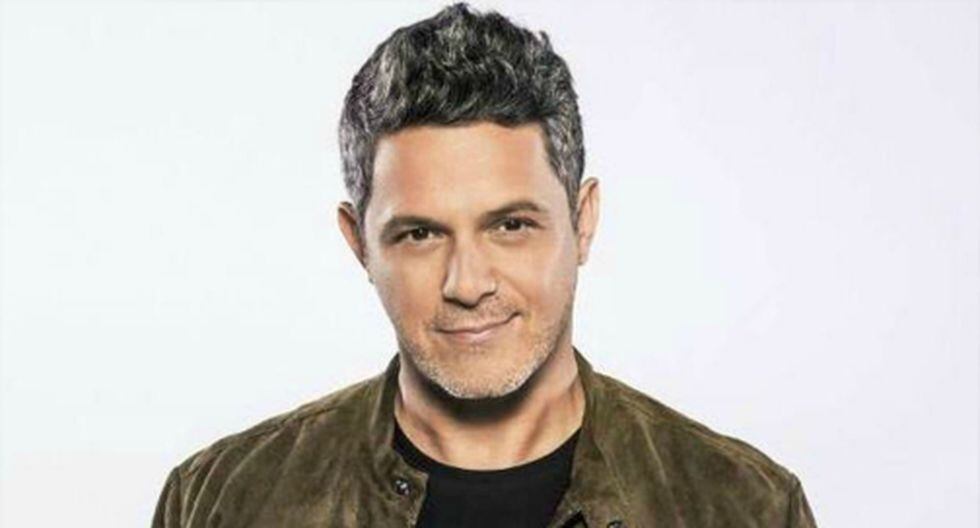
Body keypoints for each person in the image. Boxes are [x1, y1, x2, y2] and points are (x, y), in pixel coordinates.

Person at [152, 3, 817, 527]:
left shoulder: (744, 506)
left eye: (511, 225)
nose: (468, 284)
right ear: (359, 244)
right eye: (419, 234)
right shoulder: (222, 502)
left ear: (583, 221)